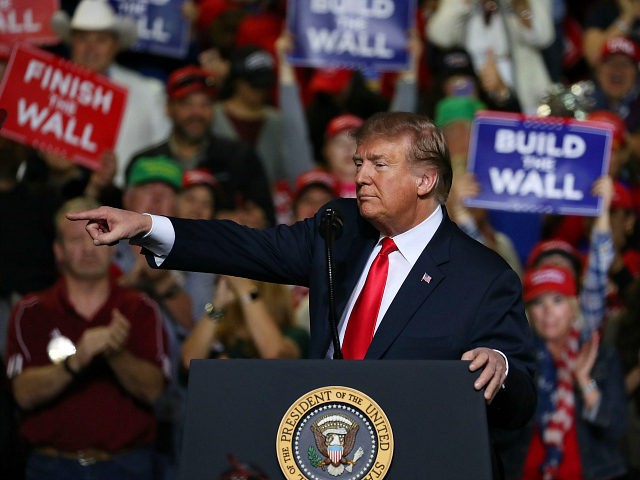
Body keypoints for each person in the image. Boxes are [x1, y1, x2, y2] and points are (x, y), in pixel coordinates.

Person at [67, 113, 537, 443]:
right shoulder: (339, 226)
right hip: (321, 450)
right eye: (359, 163)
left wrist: (501, 364)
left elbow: (520, 399)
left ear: (425, 180)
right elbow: (249, 247)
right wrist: (149, 226)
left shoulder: (483, 276)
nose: (361, 177)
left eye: (379, 165)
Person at [5, 197, 169, 480]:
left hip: (128, 465)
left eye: (97, 235)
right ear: (58, 251)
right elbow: (23, 394)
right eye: (75, 240)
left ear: (112, 246)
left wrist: (115, 352)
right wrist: (78, 358)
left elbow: (155, 391)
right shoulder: (30, 311)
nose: (88, 248)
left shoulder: (140, 308)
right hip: (50, 466)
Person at [495, 264, 628, 480]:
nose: (548, 312)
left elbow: (616, 430)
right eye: (538, 302)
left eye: (557, 300)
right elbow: (501, 435)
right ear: (529, 312)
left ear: (573, 307)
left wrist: (584, 380)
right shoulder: (517, 360)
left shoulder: (601, 357)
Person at [127, 65, 275, 226]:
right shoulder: (144, 161)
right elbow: (126, 214)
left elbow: (265, 219)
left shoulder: (241, 157)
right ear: (169, 108)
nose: (196, 113)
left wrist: (254, 221)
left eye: (205, 104)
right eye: (187, 104)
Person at [50, 0, 170, 187]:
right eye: (83, 38)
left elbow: (164, 155)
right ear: (71, 42)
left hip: (130, 204)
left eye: (101, 39)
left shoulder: (148, 92)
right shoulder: (48, 89)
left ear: (115, 45)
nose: (91, 48)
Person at [427, 0, 555, 115]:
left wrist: (521, 6)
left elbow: (543, 37)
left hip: (522, 87)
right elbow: (439, 36)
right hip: (473, 84)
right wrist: (463, 3)